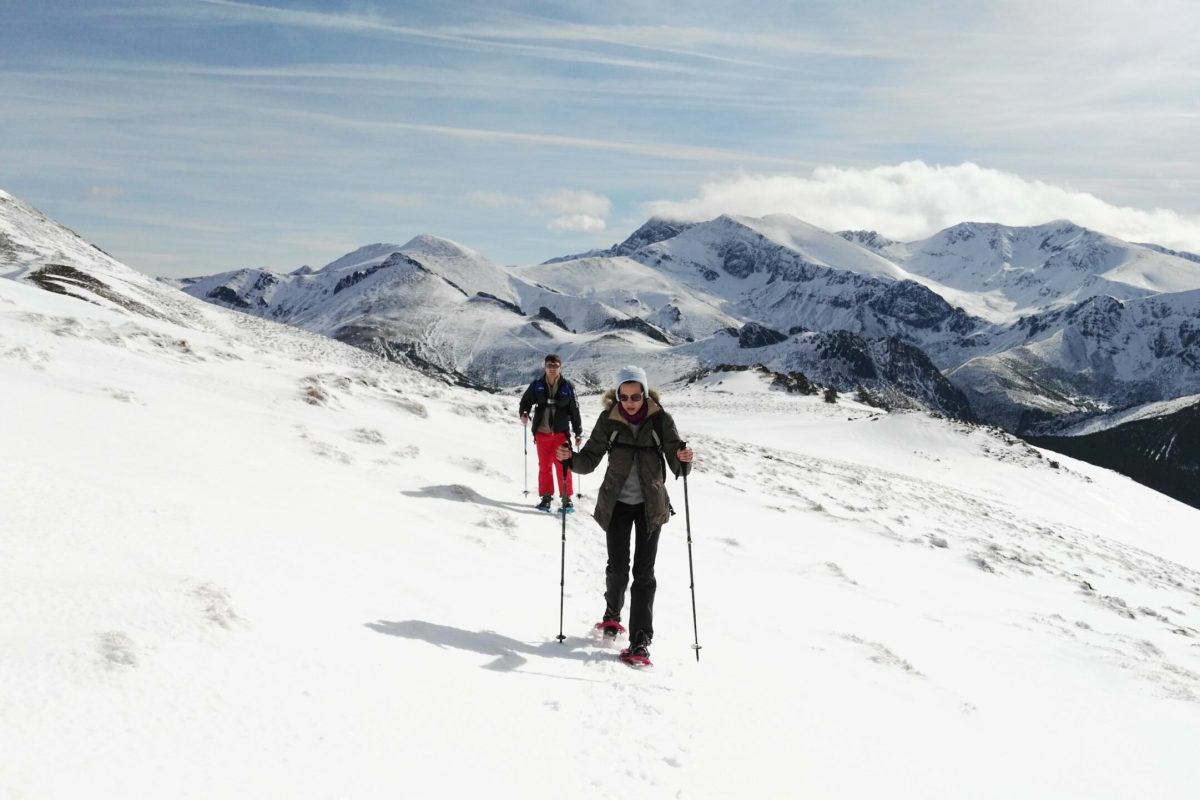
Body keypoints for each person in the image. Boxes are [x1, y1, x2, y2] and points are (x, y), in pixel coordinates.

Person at [556, 365, 694, 665]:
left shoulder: (661, 421)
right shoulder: (609, 420)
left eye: (636, 395)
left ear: (645, 393)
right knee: (618, 568)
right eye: (624, 396)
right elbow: (589, 459)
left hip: (651, 506)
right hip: (616, 504)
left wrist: (684, 459)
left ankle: (640, 642)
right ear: (616, 396)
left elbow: (677, 465)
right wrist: (570, 460)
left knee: (644, 575)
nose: (630, 401)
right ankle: (612, 613)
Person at [519, 353, 583, 512]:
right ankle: (546, 498)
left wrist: (578, 432)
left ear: (560, 368)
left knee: (563, 466)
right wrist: (524, 412)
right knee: (545, 466)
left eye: (555, 366)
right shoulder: (537, 385)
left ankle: (566, 499)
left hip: (561, 433)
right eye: (549, 366)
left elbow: (574, 411)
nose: (552, 369)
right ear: (545, 367)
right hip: (542, 433)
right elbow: (526, 401)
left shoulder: (568, 387)